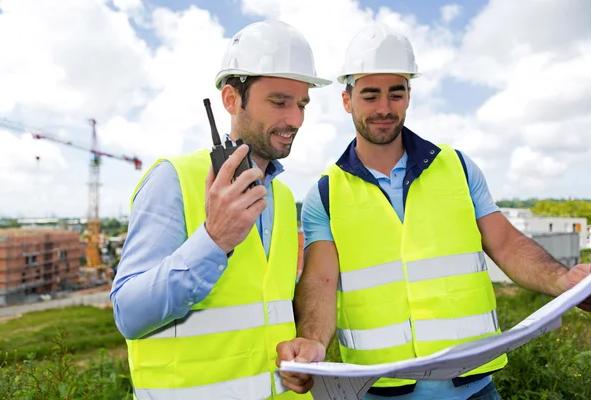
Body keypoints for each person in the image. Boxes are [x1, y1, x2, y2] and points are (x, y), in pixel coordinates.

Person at [276, 23, 591, 399]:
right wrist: (311, 340)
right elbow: (320, 284)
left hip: (474, 388)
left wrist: (564, 281)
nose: (384, 108)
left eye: (396, 93)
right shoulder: (325, 194)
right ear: (347, 100)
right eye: (370, 95)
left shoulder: (456, 167)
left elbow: (506, 245)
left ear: (409, 96)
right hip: (383, 392)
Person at [110, 20, 331, 400]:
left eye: (302, 104)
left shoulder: (281, 196)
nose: (294, 119)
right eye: (279, 102)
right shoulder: (173, 179)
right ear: (231, 100)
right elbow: (129, 314)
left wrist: (298, 350)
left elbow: (263, 313)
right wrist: (214, 241)